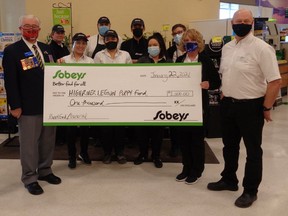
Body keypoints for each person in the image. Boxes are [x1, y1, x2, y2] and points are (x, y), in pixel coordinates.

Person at [207, 9, 282, 208]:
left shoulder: (262, 48)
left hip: (251, 107)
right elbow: (226, 74)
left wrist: (266, 107)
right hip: (228, 105)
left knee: (253, 151)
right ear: (232, 23)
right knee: (229, 147)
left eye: (246, 20)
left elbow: (275, 81)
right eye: (238, 20)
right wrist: (224, 91)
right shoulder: (228, 47)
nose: (242, 23)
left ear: (252, 23)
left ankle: (250, 190)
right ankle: (229, 179)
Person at [2, 14, 61, 195]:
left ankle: (45, 170)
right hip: (27, 108)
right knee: (29, 144)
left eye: (34, 27)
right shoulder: (12, 51)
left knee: (47, 141)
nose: (31, 30)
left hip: (49, 106)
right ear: (20, 29)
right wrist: (15, 106)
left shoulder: (45, 49)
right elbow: (10, 81)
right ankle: (29, 177)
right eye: (27, 27)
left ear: (40, 30)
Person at [172, 29, 221, 184]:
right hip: (182, 107)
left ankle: (196, 170)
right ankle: (186, 168)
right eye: (186, 41)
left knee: (197, 141)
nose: (188, 43)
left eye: (192, 40)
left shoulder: (205, 60)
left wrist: (208, 84)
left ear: (198, 42)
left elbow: (216, 82)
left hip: (199, 108)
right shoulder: (180, 60)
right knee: (184, 140)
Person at [133, 32, 172, 168]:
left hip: (160, 103)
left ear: (160, 46)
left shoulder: (168, 62)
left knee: (157, 132)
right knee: (142, 131)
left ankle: (156, 155)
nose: (152, 47)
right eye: (150, 45)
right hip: (143, 102)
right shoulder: (142, 61)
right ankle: (142, 154)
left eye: (155, 45)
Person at [94, 29, 132, 164]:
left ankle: (120, 152)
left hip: (121, 96)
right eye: (108, 38)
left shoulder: (125, 55)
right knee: (106, 127)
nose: (111, 40)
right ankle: (107, 153)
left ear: (117, 39)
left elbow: (130, 74)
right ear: (104, 41)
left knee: (120, 127)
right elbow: (95, 75)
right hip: (104, 96)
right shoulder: (99, 55)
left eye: (113, 38)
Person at [58, 33, 94, 169]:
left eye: (83, 43)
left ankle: (84, 153)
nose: (80, 46)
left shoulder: (90, 61)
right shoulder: (63, 60)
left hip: (85, 100)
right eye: (78, 43)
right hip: (69, 103)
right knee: (70, 131)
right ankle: (71, 156)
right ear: (72, 44)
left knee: (85, 130)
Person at [49, 24, 70, 146]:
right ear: (52, 34)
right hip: (57, 82)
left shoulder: (64, 47)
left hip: (66, 81)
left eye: (62, 33)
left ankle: (64, 136)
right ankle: (58, 138)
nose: (60, 35)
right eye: (58, 33)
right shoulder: (49, 48)